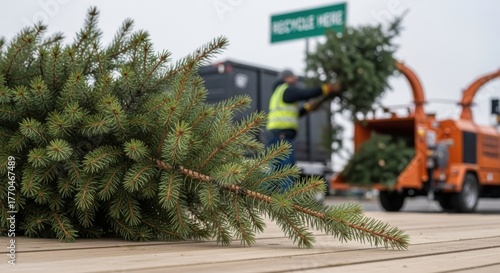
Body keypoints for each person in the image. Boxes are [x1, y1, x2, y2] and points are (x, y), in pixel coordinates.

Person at [265, 69, 340, 192]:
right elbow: (306, 93)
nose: (295, 78)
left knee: (274, 172)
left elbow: (293, 115)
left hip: (275, 136)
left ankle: (266, 198)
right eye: (293, 76)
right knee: (287, 171)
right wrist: (325, 89)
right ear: (286, 78)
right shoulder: (286, 90)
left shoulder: (278, 93)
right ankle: (286, 201)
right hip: (283, 137)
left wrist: (307, 109)